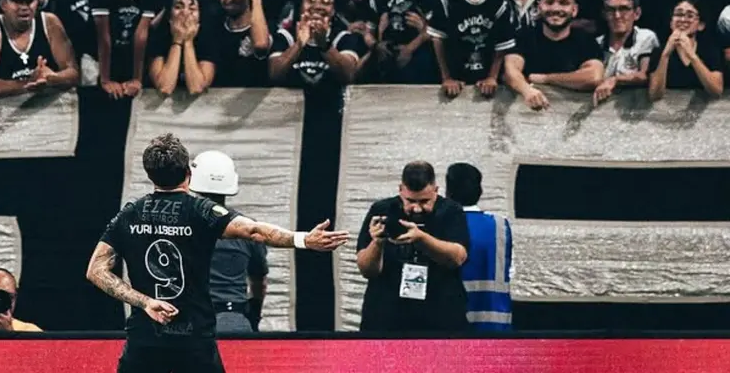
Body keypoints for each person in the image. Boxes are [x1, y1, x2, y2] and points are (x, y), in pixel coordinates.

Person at [87, 133, 349, 373]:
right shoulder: (200, 211)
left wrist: (144, 302)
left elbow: (96, 270)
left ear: (149, 174)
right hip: (194, 342)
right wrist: (303, 239)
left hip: (144, 340)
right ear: (188, 173)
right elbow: (255, 231)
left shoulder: (129, 213)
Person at [356, 160, 469, 332]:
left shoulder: (451, 211)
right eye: (410, 201)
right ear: (400, 189)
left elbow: (458, 257)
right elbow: (366, 269)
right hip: (387, 316)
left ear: (436, 191)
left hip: (440, 315)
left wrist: (421, 238)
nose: (417, 209)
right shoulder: (382, 210)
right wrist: (377, 242)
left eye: (424, 201)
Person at [190, 150, 269, 333]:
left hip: (191, 321)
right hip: (234, 322)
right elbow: (259, 282)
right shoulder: (248, 228)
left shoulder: (181, 226)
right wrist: (254, 314)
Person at [504, 0, 604, 110]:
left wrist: (546, 78)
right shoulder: (524, 36)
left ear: (574, 10)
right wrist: (527, 90)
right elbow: (510, 70)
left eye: (564, 3)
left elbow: (593, 77)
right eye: (549, 2)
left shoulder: (586, 41)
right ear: (539, 7)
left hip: (571, 115)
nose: (556, 8)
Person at [445, 162, 512, 332]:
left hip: (450, 326)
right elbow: (510, 271)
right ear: (480, 190)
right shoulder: (500, 225)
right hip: (495, 326)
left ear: (447, 192)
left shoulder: (442, 225)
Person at [93, 0, 161, 99]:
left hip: (132, 51)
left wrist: (136, 78)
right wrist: (105, 79)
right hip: (98, 53)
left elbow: (141, 35)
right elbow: (103, 36)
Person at [593, 0, 658, 105]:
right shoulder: (597, 43)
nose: (617, 16)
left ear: (637, 13)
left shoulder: (645, 37)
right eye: (611, 10)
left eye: (624, 9)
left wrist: (615, 80)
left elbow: (645, 75)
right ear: (604, 14)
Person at [648, 0, 725, 100]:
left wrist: (692, 56)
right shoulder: (659, 52)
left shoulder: (710, 50)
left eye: (690, 16)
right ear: (671, 22)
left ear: (701, 25)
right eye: (678, 14)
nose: (683, 20)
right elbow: (654, 95)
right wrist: (666, 55)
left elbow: (716, 91)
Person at [148, 0, 218, 96]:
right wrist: (177, 41)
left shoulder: (208, 39)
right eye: (178, 7)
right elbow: (165, 87)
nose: (185, 13)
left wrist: (188, 41)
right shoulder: (159, 39)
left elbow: (196, 87)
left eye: (192, 8)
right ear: (169, 15)